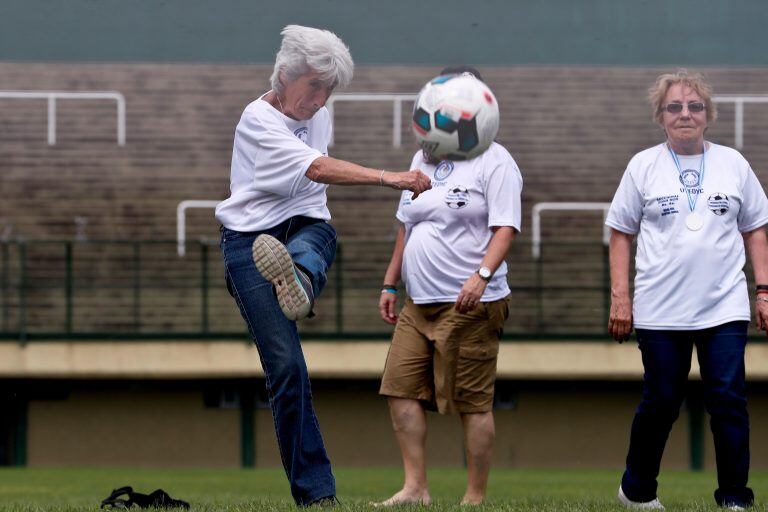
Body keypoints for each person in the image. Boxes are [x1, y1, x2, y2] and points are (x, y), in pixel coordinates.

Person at [215, 25, 431, 506]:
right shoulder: (257, 118)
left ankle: (301, 281)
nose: (320, 99)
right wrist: (389, 177)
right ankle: (317, 495)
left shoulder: (320, 115)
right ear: (286, 75)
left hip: (306, 228)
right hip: (248, 243)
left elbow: (314, 189)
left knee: (320, 235)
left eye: (329, 90)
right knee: (288, 368)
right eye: (315, 86)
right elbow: (315, 168)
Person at [606, 69, 768, 510]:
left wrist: (763, 290)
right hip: (660, 309)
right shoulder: (643, 165)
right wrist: (621, 296)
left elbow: (755, 228)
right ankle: (637, 491)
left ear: (708, 116)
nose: (685, 114)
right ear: (661, 116)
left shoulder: (733, 164)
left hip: (724, 307)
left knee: (728, 399)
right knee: (661, 401)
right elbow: (620, 232)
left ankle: (734, 496)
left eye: (695, 106)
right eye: (675, 106)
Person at [374, 67, 522, 506]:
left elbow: (505, 228)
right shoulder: (423, 158)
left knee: (472, 404)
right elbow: (406, 226)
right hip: (417, 305)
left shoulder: (497, 161)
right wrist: (389, 283)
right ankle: (415, 487)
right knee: (399, 391)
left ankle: (474, 497)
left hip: (471, 306)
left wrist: (482, 277)